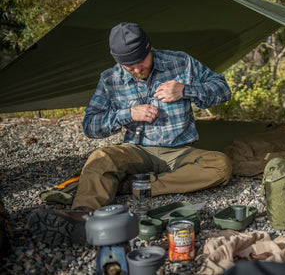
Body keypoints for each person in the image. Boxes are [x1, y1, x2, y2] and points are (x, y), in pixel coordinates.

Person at [27, 22, 233, 246]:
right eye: (128, 65)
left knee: (221, 165)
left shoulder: (181, 62)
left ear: (149, 48)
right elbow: (90, 125)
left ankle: (136, 187)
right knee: (101, 157)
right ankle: (81, 216)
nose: (136, 69)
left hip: (180, 151)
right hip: (136, 150)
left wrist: (185, 90)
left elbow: (223, 89)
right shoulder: (110, 80)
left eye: (141, 61)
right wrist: (127, 115)